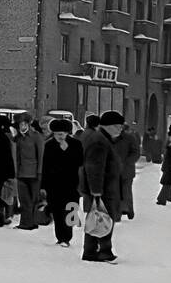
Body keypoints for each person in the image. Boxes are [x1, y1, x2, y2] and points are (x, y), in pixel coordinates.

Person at [79, 109, 127, 262]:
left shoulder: (102, 139)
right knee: (104, 218)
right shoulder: (100, 141)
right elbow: (94, 167)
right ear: (108, 126)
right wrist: (96, 190)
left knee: (97, 218)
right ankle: (104, 250)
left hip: (104, 187)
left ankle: (91, 250)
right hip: (102, 189)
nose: (121, 129)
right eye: (118, 126)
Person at [40, 117, 83, 247]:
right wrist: (43, 186)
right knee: (57, 211)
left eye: (63, 133)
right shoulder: (48, 145)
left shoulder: (76, 144)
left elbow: (80, 162)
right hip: (54, 185)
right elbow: (45, 166)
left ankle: (68, 236)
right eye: (58, 134)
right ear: (53, 133)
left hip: (72, 183)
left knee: (70, 209)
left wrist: (67, 151)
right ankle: (60, 237)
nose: (61, 136)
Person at [12, 111, 45, 230]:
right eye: (20, 124)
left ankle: (32, 222)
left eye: (24, 123)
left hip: (34, 173)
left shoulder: (37, 137)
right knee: (24, 199)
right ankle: (25, 223)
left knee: (33, 199)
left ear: (29, 124)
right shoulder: (17, 138)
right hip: (21, 173)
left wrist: (40, 172)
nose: (22, 126)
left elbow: (41, 155)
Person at [120, 121, 141, 219]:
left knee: (124, 191)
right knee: (125, 191)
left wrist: (126, 162)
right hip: (125, 170)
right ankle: (126, 210)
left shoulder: (129, 138)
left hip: (125, 170)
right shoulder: (131, 138)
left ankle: (126, 210)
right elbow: (136, 153)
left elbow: (136, 153)